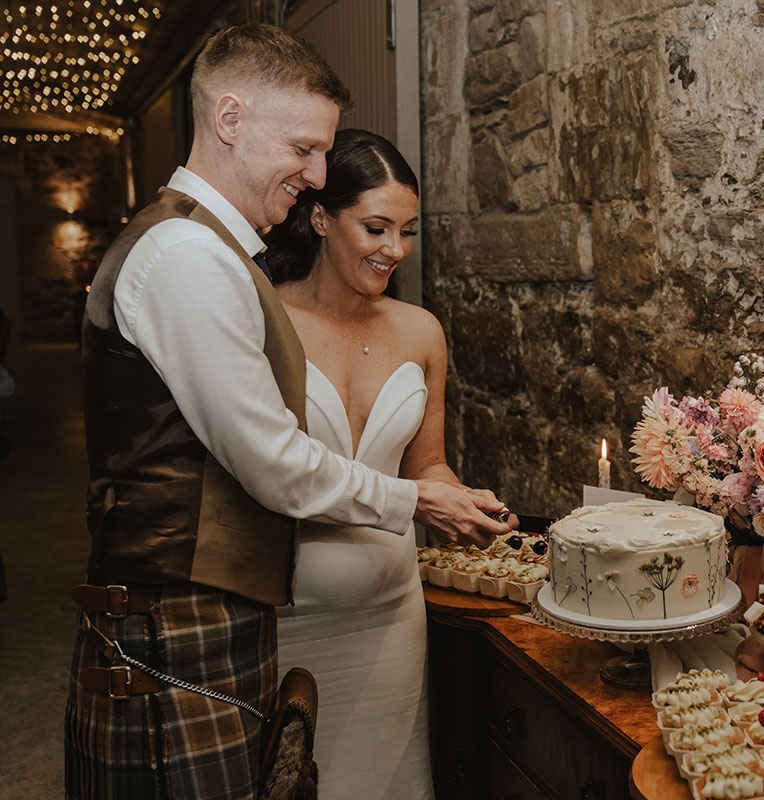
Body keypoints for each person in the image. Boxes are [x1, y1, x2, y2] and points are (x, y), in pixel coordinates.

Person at [65, 24, 514, 800]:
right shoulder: (188, 256)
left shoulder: (212, 250)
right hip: (175, 623)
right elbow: (272, 463)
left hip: (221, 619)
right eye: (303, 148)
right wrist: (414, 500)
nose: (314, 175)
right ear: (230, 120)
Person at [266, 128, 497, 799]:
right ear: (318, 219)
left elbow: (428, 467)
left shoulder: (421, 330)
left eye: (407, 230)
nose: (395, 249)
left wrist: (461, 501)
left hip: (391, 615)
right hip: (285, 618)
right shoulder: (264, 324)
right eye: (375, 227)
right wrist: (425, 500)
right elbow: (265, 474)